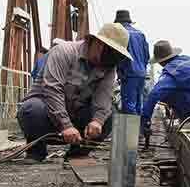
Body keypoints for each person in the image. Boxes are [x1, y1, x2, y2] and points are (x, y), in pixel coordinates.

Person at [16, 22, 132, 162]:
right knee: (32, 109)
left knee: (109, 116)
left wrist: (97, 121)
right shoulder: (64, 52)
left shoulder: (108, 67)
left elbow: (104, 97)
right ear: (98, 44)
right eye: (111, 55)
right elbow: (52, 90)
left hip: (75, 115)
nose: (111, 61)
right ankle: (36, 151)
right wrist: (66, 126)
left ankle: (77, 154)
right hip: (47, 115)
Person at [113, 9, 150, 116]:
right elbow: (147, 56)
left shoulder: (121, 33)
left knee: (129, 105)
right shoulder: (140, 34)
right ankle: (140, 126)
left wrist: (120, 72)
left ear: (118, 23)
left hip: (129, 73)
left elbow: (119, 55)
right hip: (141, 74)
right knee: (139, 104)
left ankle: (132, 127)